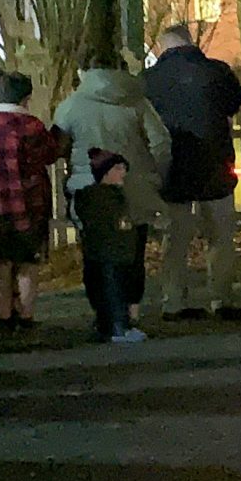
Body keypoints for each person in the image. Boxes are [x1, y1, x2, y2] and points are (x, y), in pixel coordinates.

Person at [55, 53, 172, 315]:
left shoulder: (71, 105)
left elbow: (58, 145)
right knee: (133, 250)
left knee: (95, 253)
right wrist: (154, 176)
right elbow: (161, 142)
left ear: (85, 71)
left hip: (89, 189)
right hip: (133, 186)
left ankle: (104, 311)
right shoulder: (138, 102)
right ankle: (131, 310)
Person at [145, 22, 241, 320]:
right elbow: (234, 103)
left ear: (162, 47)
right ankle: (221, 298)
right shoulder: (217, 71)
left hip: (172, 165)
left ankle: (174, 300)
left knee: (175, 238)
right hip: (214, 163)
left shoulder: (149, 80)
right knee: (220, 236)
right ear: (190, 42)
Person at [0, 72, 61, 330]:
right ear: (26, 97)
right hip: (29, 205)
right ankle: (25, 316)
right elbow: (50, 154)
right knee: (27, 262)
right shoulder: (32, 127)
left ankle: (2, 318)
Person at [73, 149, 147, 344]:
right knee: (112, 291)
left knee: (113, 291)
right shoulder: (103, 199)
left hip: (114, 254)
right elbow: (110, 225)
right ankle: (117, 327)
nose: (123, 173)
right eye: (118, 169)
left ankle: (111, 326)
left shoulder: (111, 196)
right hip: (110, 254)